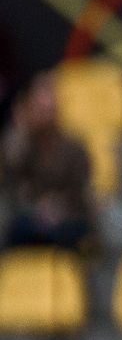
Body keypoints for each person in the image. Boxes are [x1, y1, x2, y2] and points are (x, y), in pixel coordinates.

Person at [1, 73, 94, 250]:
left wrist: (59, 206)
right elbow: (11, 188)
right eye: (39, 106)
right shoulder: (20, 145)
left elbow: (83, 193)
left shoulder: (74, 148)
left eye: (50, 104)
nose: (46, 110)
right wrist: (20, 130)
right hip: (28, 220)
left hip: (68, 220)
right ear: (27, 107)